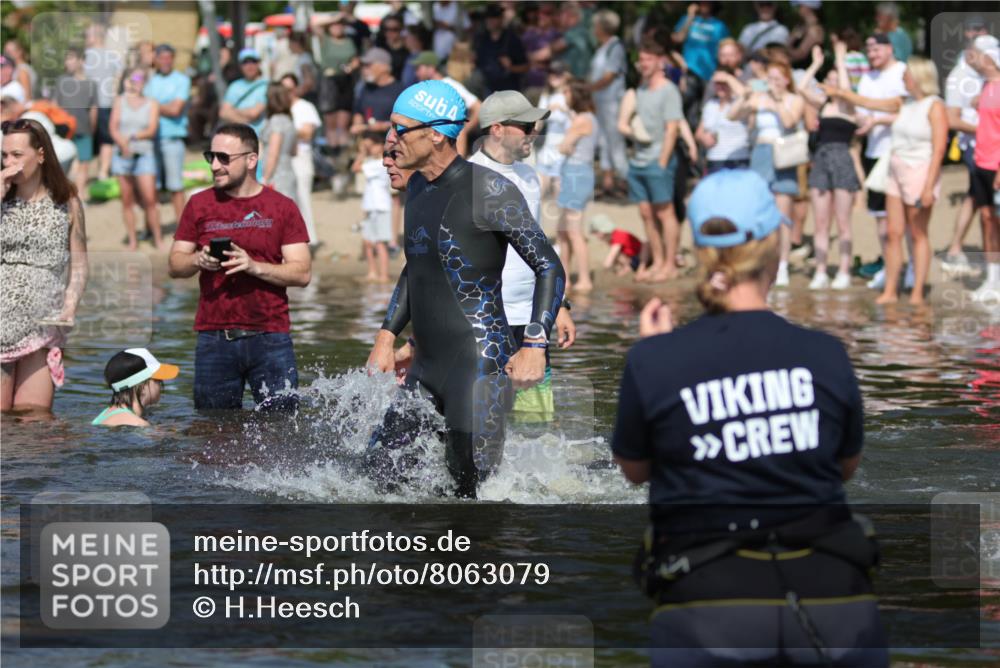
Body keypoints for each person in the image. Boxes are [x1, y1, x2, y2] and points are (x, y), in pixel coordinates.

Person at [612, 169, 887, 668]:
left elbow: (635, 470)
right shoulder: (826, 354)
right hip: (833, 595)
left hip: (709, 600)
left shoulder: (655, 360)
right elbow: (844, 466)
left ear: (700, 251)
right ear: (772, 247)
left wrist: (658, 357)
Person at [365, 80, 565, 498]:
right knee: (377, 475)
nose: (390, 140)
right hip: (426, 368)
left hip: (479, 369)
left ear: (435, 134)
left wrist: (534, 343)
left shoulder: (488, 190)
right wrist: (387, 336)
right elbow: (417, 266)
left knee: (472, 499)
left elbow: (549, 265)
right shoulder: (418, 187)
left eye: (401, 129)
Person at [168, 123, 311, 411]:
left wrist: (254, 266)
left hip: (271, 338)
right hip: (214, 339)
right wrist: (198, 260)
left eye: (224, 158)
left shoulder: (281, 206)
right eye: (211, 157)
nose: (215, 166)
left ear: (251, 160)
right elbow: (174, 264)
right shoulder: (198, 204)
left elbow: (302, 272)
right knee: (213, 434)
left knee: (282, 433)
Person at [468, 89, 576, 423]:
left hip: (531, 323)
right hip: (483, 323)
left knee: (535, 429)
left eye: (535, 125)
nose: (535, 132)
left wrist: (559, 306)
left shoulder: (530, 177)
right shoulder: (467, 177)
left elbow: (540, 249)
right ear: (497, 129)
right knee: (481, 427)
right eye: (526, 126)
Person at [827, 57, 947, 305]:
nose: (902, 78)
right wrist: (840, 92)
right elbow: (868, 102)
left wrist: (928, 187)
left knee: (918, 233)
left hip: (920, 171)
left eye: (906, 75)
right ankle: (891, 290)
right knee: (893, 233)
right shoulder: (903, 103)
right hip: (895, 170)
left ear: (917, 76)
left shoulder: (935, 106)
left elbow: (938, 150)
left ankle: (916, 294)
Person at [1, 118, 88, 413]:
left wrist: (70, 305)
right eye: (4, 155)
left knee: (35, 421)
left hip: (42, 324)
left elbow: (79, 265)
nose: (8, 162)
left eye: (16, 155)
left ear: (40, 155)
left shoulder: (67, 202)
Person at [728, 59, 805, 287]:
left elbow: (790, 121)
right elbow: (732, 116)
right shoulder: (759, 98)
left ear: (786, 80)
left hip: (783, 154)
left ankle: (782, 265)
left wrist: (778, 101)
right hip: (760, 155)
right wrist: (745, 95)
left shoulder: (794, 99)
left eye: (776, 78)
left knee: (782, 216)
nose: (772, 83)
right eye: (769, 78)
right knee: (760, 212)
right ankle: (761, 261)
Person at [619, 39, 685, 283]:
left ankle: (670, 264)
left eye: (648, 59)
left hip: (659, 160)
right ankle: (657, 261)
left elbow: (672, 129)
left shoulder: (669, 90)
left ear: (660, 62)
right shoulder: (641, 89)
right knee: (646, 213)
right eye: (641, 59)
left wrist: (663, 160)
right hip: (638, 161)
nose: (642, 63)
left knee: (665, 212)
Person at [801, 43, 860, 290]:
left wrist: (839, 60)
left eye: (837, 79)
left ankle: (844, 270)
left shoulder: (849, 105)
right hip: (821, 160)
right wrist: (815, 64)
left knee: (843, 222)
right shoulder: (823, 105)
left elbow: (846, 90)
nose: (834, 84)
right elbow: (802, 87)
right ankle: (821, 270)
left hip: (842, 160)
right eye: (831, 79)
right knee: (821, 222)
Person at [853, 33, 908, 290]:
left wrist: (877, 119)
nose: (872, 55)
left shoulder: (902, 72)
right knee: (881, 217)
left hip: (900, 151)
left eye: (876, 49)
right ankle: (889, 267)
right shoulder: (867, 77)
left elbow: (905, 110)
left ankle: (911, 269)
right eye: (869, 51)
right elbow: (862, 112)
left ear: (889, 48)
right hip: (874, 152)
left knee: (905, 216)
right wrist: (865, 121)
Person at [942, 21, 991, 275]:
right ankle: (987, 260)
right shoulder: (958, 77)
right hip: (975, 147)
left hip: (991, 146)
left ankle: (956, 248)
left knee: (976, 198)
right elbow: (952, 120)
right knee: (985, 204)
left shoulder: (991, 73)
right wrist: (987, 129)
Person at [110, 67, 163, 250]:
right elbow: (113, 128)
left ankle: (158, 238)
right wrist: (123, 144)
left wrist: (132, 138)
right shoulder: (119, 101)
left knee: (150, 199)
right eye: (133, 79)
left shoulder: (152, 103)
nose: (136, 82)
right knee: (127, 200)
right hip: (122, 155)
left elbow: (151, 129)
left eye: (139, 79)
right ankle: (133, 240)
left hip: (144, 154)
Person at [966, 37, 1000, 302]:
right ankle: (992, 280)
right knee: (987, 221)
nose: (971, 58)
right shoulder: (987, 86)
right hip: (981, 162)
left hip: (997, 165)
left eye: (975, 54)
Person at [555, 79, 597, 293]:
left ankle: (584, 279)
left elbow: (563, 147)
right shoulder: (584, 118)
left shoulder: (583, 120)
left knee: (573, 230)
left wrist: (563, 144)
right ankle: (566, 278)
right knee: (562, 230)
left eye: (567, 92)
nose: (565, 96)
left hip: (577, 174)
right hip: (574, 173)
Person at [143, 44, 191, 225]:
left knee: (175, 186)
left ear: (173, 58)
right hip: (150, 141)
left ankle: (183, 229)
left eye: (168, 57)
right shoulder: (149, 80)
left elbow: (176, 109)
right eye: (161, 57)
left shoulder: (182, 80)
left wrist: (152, 105)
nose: (165, 61)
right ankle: (152, 227)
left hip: (172, 139)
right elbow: (135, 97)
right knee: (150, 189)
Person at [589, 8, 628, 198]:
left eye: (595, 25)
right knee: (604, 142)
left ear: (602, 27)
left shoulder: (615, 47)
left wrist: (587, 89)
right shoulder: (603, 48)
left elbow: (608, 77)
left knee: (615, 142)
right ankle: (608, 182)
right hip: (602, 103)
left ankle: (627, 181)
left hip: (612, 102)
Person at [413, 51, 481, 156]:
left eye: (418, 68)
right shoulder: (424, 89)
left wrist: (464, 130)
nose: (416, 73)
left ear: (431, 68)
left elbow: (477, 106)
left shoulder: (449, 85)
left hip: (453, 152)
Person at [671, 1, 729, 123]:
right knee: (685, 106)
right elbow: (678, 38)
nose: (704, 4)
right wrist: (690, 16)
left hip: (709, 73)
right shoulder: (687, 20)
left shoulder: (719, 26)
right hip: (689, 71)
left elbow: (725, 49)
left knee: (704, 109)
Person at [280, 73, 321, 245]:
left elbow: (307, 133)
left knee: (302, 200)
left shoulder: (305, 107)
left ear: (296, 89)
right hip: (282, 159)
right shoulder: (278, 109)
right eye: (282, 89)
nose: (286, 93)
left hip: (301, 158)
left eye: (289, 89)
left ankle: (308, 241)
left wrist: (283, 132)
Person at [54, 47, 99, 200]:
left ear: (81, 61)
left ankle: (78, 195)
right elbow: (55, 104)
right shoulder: (61, 81)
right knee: (66, 162)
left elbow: (94, 109)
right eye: (67, 59)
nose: (68, 62)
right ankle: (66, 194)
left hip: (84, 128)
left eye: (72, 58)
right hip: (64, 129)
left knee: (84, 162)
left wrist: (92, 128)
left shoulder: (91, 84)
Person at [92, 348, 178, 427]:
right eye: (158, 380)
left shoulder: (106, 413)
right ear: (142, 386)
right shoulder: (138, 423)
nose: (160, 385)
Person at [85, 23, 123, 181]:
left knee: (87, 138)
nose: (85, 39)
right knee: (105, 139)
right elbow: (119, 78)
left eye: (87, 35)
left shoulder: (85, 56)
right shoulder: (113, 56)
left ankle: (85, 173)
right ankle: (103, 172)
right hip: (107, 103)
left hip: (87, 105)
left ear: (95, 37)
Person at [353, 131, 392, 282]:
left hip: (381, 207)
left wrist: (362, 152)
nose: (371, 148)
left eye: (373, 145)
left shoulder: (382, 163)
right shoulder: (372, 162)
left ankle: (384, 274)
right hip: (370, 206)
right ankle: (372, 272)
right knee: (368, 242)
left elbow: (356, 168)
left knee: (381, 243)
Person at [317, 13, 360, 149]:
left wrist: (351, 67)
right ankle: (332, 150)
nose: (337, 27)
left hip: (345, 80)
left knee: (343, 121)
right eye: (335, 25)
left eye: (340, 24)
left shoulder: (349, 41)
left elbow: (355, 59)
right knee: (331, 121)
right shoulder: (325, 39)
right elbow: (315, 25)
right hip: (329, 82)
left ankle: (343, 152)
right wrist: (336, 17)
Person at [697, 66, 751, 173]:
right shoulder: (710, 105)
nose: (720, 87)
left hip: (737, 159)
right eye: (717, 83)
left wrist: (728, 78)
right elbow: (699, 132)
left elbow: (746, 94)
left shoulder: (739, 102)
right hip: (714, 159)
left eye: (724, 83)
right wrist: (704, 138)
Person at [536, 63, 571, 202]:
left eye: (558, 74)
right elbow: (539, 121)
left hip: (564, 142)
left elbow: (579, 118)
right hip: (549, 142)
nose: (553, 77)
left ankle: (561, 219)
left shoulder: (569, 94)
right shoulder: (546, 95)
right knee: (540, 179)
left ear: (565, 76)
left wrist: (563, 109)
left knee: (558, 181)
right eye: (551, 73)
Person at [261, 83, 299, 204]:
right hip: (289, 171)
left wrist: (265, 179)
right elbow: (294, 151)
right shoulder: (289, 120)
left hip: (276, 175)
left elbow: (274, 153)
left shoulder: (276, 121)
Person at [219, 49, 268, 138]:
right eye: (245, 62)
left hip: (259, 137)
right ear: (240, 66)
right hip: (237, 136)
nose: (249, 66)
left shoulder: (267, 85)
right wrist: (246, 124)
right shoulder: (234, 86)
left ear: (258, 63)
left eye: (253, 61)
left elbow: (254, 113)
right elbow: (223, 113)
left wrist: (233, 111)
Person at [787, 0, 825, 70]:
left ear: (808, 8)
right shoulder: (800, 26)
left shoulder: (815, 30)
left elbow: (800, 55)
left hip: (806, 73)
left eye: (799, 6)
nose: (797, 8)